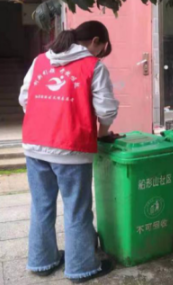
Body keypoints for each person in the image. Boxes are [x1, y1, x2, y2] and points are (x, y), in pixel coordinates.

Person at [19, 21, 119, 282]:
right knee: (77, 209)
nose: (100, 54)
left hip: (34, 146)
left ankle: (42, 261)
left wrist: (46, 122)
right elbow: (107, 110)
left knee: (41, 207)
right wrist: (102, 132)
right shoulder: (93, 66)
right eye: (102, 48)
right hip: (71, 149)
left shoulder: (40, 60)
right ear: (96, 41)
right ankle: (81, 268)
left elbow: (25, 99)